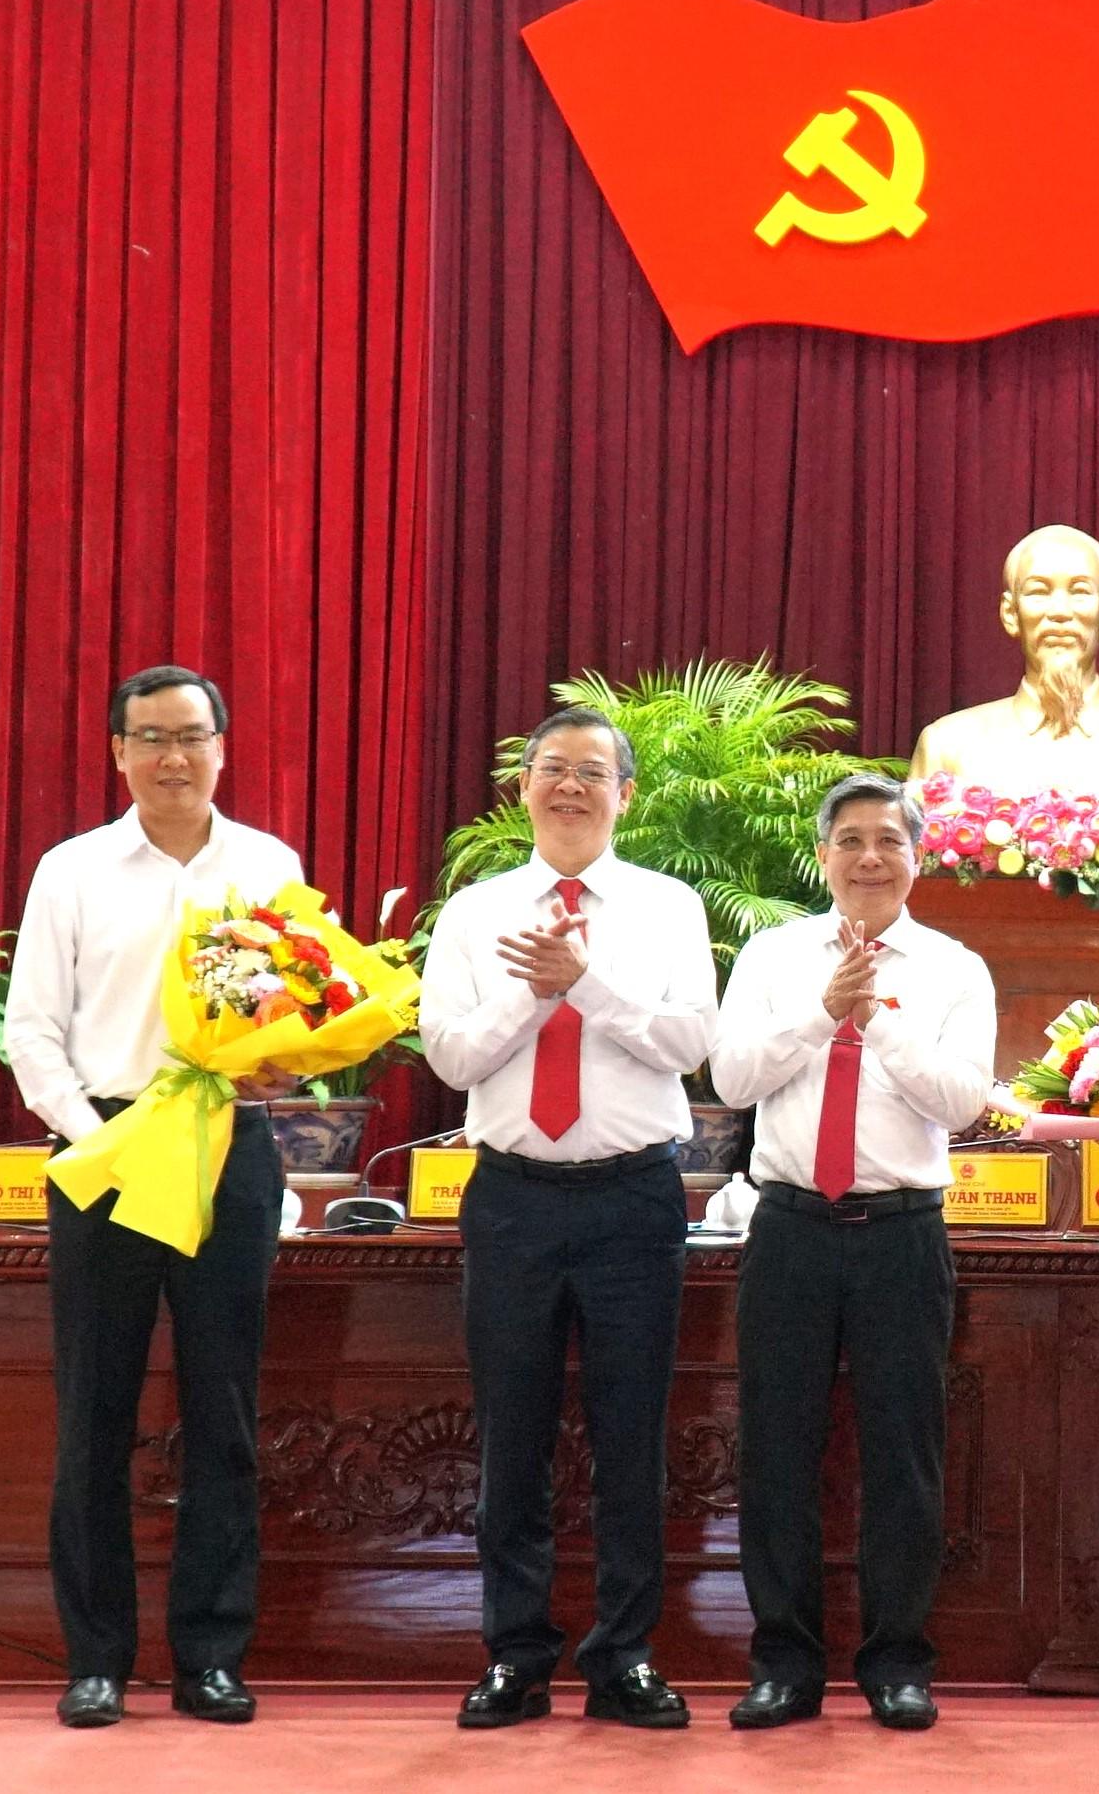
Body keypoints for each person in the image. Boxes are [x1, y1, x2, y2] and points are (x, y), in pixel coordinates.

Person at [4, 665, 304, 1730]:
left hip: (227, 1149)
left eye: (191, 736)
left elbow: (286, 1008)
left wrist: (281, 1062)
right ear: (118, 752)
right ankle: (95, 1660)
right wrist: (100, 1141)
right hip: (106, 1151)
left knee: (224, 1412)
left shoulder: (267, 864)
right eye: (151, 738)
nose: (173, 757)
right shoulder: (72, 870)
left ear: (223, 746)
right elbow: (31, 1029)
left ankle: (210, 1657)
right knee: (95, 1412)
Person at [419, 704, 719, 1731]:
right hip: (513, 1200)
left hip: (633, 1199)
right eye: (553, 767)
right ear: (524, 787)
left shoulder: (669, 907)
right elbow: (451, 1057)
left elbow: (690, 1043)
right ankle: (515, 1656)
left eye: (593, 772)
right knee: (513, 1436)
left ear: (624, 795)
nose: (571, 786)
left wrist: (583, 983)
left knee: (631, 1435)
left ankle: (624, 1657)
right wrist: (533, 992)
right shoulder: (474, 914)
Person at [709, 773, 997, 1732]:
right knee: (776, 1450)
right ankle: (783, 1664)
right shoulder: (772, 955)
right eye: (850, 840)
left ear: (917, 857)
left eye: (888, 841)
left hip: (901, 1234)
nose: (869, 857)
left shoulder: (955, 968)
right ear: (822, 855)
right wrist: (819, 1012)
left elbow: (962, 1101)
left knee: (904, 1456)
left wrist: (877, 1018)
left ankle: (897, 1663)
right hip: (789, 1228)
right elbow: (731, 1077)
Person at [908, 525, 1099, 793]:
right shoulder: (948, 748)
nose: (1059, 611)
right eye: (1038, 592)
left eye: (1079, 591)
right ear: (1010, 614)